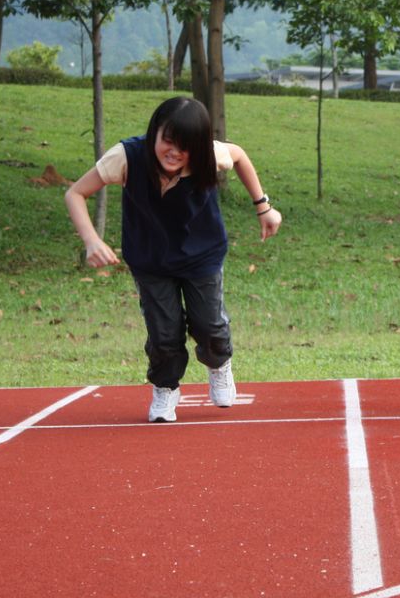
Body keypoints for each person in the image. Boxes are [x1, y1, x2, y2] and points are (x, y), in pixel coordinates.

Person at [64, 96, 281, 423]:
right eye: (167, 141)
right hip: (150, 258)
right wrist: (91, 240)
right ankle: (165, 387)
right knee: (164, 333)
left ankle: (219, 364)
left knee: (209, 325)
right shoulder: (127, 157)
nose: (174, 152)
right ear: (154, 132)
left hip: (201, 254)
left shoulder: (209, 155)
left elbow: (238, 155)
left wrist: (263, 207)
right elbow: (75, 193)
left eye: (185, 146)